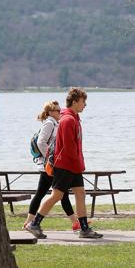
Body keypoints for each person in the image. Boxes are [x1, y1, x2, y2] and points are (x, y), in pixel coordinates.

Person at [25, 88, 103, 239]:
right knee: (56, 196)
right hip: (66, 166)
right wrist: (76, 164)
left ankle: (84, 229)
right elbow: (68, 147)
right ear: (75, 102)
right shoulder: (68, 120)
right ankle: (34, 223)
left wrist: (79, 164)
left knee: (80, 194)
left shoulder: (73, 118)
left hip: (73, 165)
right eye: (83, 101)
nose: (85, 105)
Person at [22, 100, 81, 232]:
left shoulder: (55, 123)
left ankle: (28, 222)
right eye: (57, 110)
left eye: (60, 110)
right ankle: (75, 222)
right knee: (60, 193)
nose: (60, 112)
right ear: (50, 112)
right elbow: (40, 142)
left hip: (48, 166)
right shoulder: (49, 123)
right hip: (47, 166)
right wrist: (51, 158)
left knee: (45, 194)